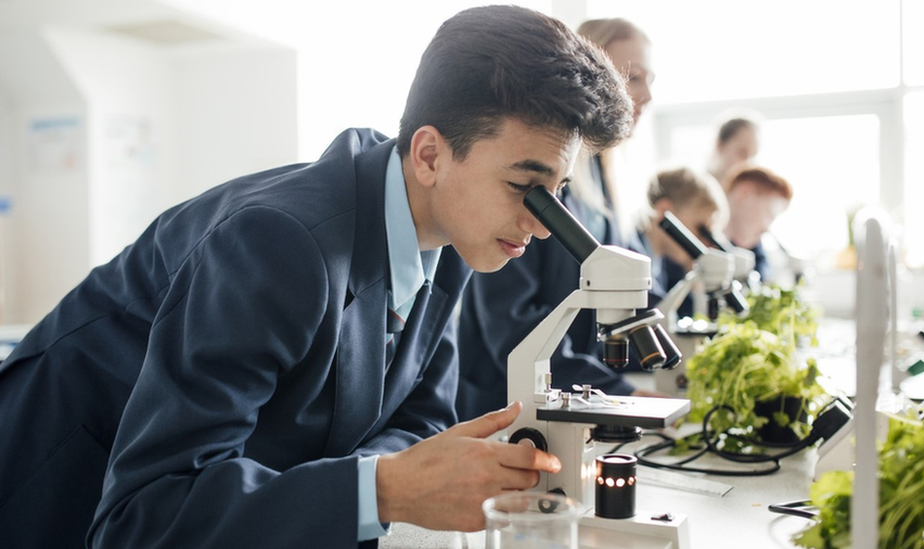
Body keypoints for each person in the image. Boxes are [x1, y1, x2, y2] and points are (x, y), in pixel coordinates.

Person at [0, 6, 634, 549]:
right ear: (431, 154)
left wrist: (392, 479)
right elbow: (146, 515)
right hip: (60, 478)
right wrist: (385, 487)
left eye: (558, 193)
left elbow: (420, 415)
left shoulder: (451, 233)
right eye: (527, 187)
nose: (545, 225)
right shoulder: (278, 242)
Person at [456, 17, 656, 423]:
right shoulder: (529, 187)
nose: (647, 95)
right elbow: (513, 325)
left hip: (566, 395)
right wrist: (617, 394)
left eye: (651, 79)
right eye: (633, 78)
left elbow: (636, 296)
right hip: (506, 405)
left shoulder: (604, 186)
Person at [640, 167, 729, 317]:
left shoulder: (658, 263)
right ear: (664, 211)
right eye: (701, 230)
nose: (705, 244)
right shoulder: (633, 259)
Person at [723, 164, 793, 280]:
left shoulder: (758, 258)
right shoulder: (698, 245)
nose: (766, 229)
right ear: (745, 194)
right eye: (769, 215)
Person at [706, 114, 761, 187]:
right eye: (742, 152)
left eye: (753, 156)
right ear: (719, 146)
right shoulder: (696, 190)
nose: (747, 164)